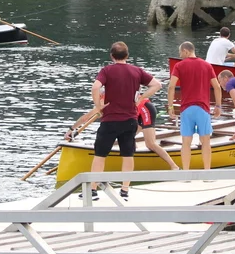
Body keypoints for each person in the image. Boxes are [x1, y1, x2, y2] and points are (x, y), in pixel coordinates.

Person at [66, 41, 163, 199]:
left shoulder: (107, 70)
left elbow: (95, 87)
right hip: (130, 120)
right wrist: (141, 98)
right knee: (128, 155)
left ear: (112, 56)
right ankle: (124, 190)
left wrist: (98, 106)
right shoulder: (137, 71)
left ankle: (93, 190)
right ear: (127, 55)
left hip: (110, 120)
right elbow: (157, 85)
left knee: (100, 155)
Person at [167, 42, 223, 170]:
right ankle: (207, 172)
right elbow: (217, 87)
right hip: (203, 108)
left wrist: (170, 107)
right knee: (206, 141)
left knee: (186, 142)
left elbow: (171, 87)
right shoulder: (207, 65)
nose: (180, 55)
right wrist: (218, 106)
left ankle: (186, 172)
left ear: (186, 51)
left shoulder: (179, 66)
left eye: (180, 52)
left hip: (186, 109)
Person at [135, 99, 179, 171]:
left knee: (150, 144)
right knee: (128, 136)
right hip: (137, 110)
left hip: (145, 109)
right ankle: (135, 159)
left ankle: (174, 166)